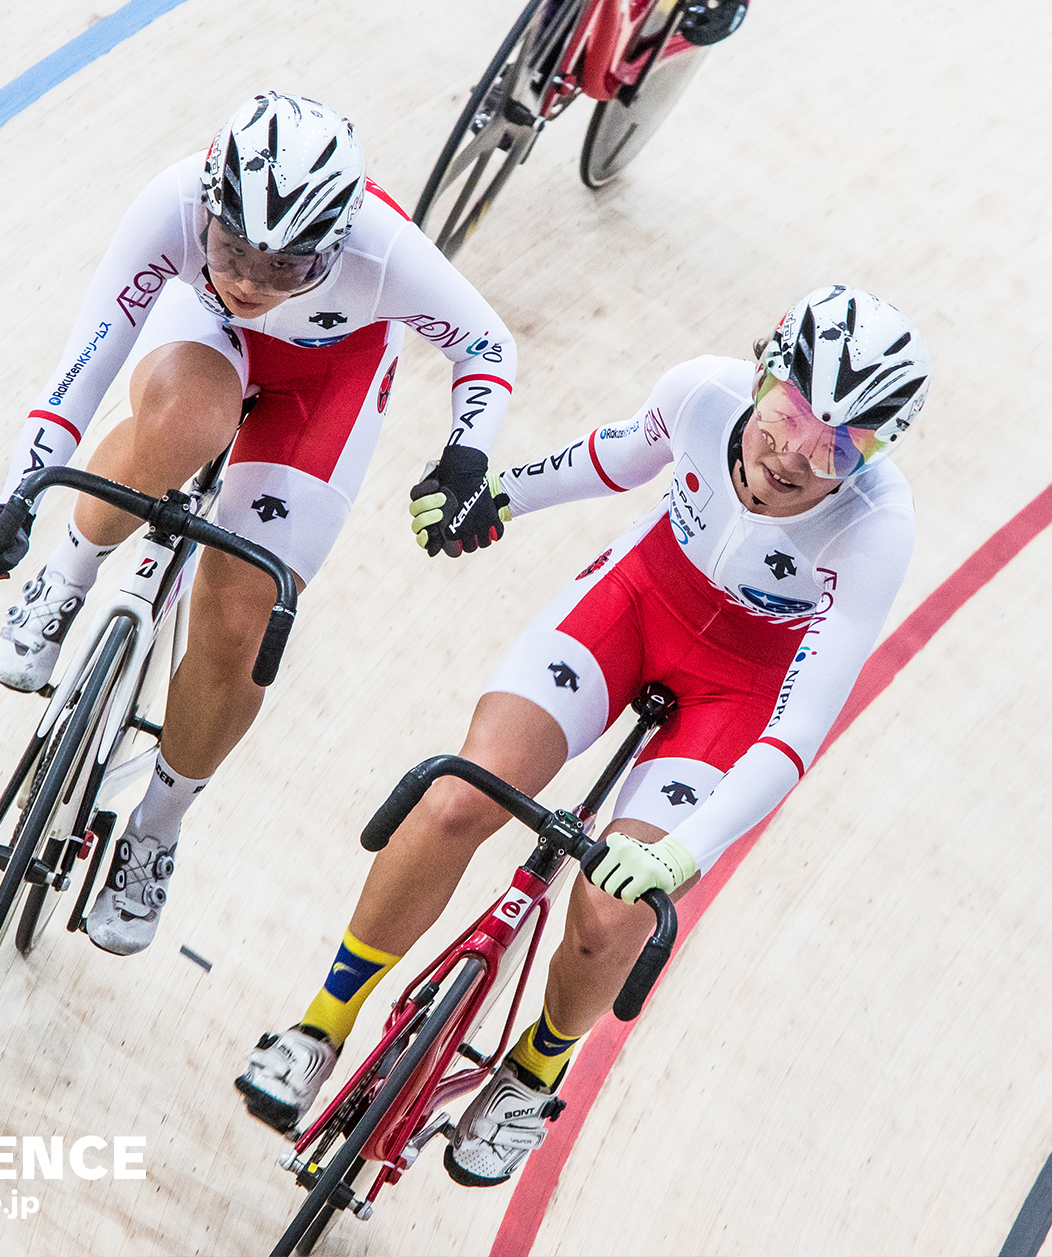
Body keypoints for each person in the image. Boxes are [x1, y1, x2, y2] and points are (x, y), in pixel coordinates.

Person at [236, 285, 929, 1187]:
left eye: (839, 443)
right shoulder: (703, 392)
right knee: (459, 798)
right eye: (791, 411)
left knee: (614, 908)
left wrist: (680, 857)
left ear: (874, 454)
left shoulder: (877, 528)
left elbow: (799, 728)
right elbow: (620, 454)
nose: (796, 450)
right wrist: (500, 497)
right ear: (762, 373)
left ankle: (536, 1069)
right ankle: (321, 1022)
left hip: (742, 688)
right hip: (638, 605)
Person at [0, 92, 516, 956]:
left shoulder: (386, 250)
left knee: (243, 607)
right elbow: (84, 367)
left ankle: (156, 827)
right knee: (182, 425)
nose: (251, 282)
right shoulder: (175, 203)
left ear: (337, 244)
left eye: (288, 269)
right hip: (204, 340)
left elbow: (487, 346)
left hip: (327, 385)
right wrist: (15, 503)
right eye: (232, 251)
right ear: (209, 210)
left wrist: (465, 458)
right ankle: (62, 583)